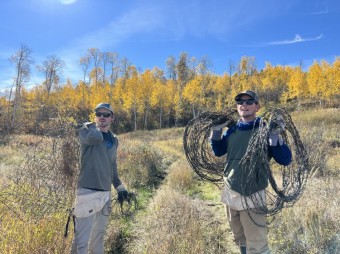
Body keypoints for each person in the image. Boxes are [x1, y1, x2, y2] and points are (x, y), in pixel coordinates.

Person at [210, 90, 292, 254]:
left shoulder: (266, 129)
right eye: (240, 101)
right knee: (239, 236)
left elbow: (285, 159)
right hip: (230, 190)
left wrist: (275, 138)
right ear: (237, 106)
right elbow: (219, 151)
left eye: (249, 102)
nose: (244, 105)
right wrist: (217, 132)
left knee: (257, 243)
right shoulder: (232, 130)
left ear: (257, 106)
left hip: (253, 193)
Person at [71, 103, 128, 254]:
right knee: (81, 240)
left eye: (106, 115)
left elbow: (112, 165)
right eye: (99, 114)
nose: (102, 117)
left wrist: (119, 186)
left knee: (98, 236)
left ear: (112, 118)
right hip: (87, 192)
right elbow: (96, 138)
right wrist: (90, 125)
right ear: (95, 117)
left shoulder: (114, 139)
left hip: (105, 194)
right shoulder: (87, 131)